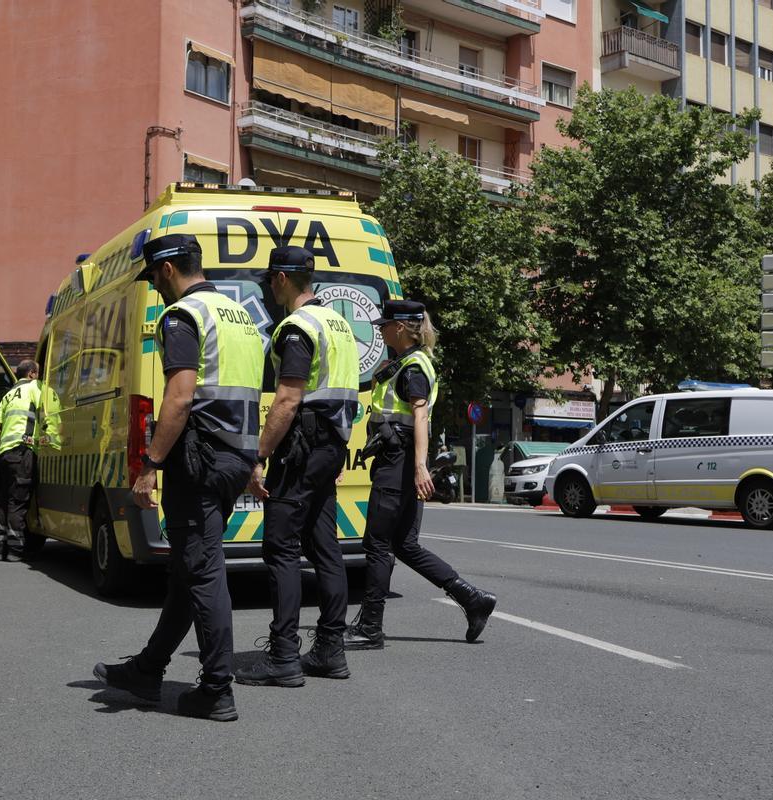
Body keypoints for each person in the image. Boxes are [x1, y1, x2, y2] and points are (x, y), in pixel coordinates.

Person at [93, 233, 263, 722]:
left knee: (203, 572)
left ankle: (216, 689)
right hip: (235, 458)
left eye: (154, 279)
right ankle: (147, 669)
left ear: (167, 270)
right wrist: (250, 462)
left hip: (200, 460)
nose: (156, 290)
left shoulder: (182, 315)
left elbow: (181, 396)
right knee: (188, 573)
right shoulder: (241, 318)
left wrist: (150, 464)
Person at [236, 246, 359, 688]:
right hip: (330, 445)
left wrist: (259, 455)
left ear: (284, 279)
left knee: (281, 549)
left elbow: (288, 399)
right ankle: (330, 649)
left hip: (301, 447)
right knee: (325, 547)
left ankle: (284, 656)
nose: (269, 287)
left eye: (270, 279)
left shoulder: (296, 327)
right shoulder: (338, 323)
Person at [345, 300, 496, 649]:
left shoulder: (412, 368)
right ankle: (473, 600)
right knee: (404, 545)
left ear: (400, 328)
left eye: (384, 325)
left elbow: (421, 416)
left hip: (398, 464)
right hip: (398, 461)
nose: (380, 330)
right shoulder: (402, 364)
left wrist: (418, 468)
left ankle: (370, 626)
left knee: (378, 545)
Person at [0, 360, 44, 562]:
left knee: (3, 500)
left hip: (5, 454)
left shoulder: (9, 394)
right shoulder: (35, 388)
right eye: (38, 373)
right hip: (23, 451)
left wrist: (2, 446)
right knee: (18, 502)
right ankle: (14, 551)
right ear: (31, 374)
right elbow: (50, 415)